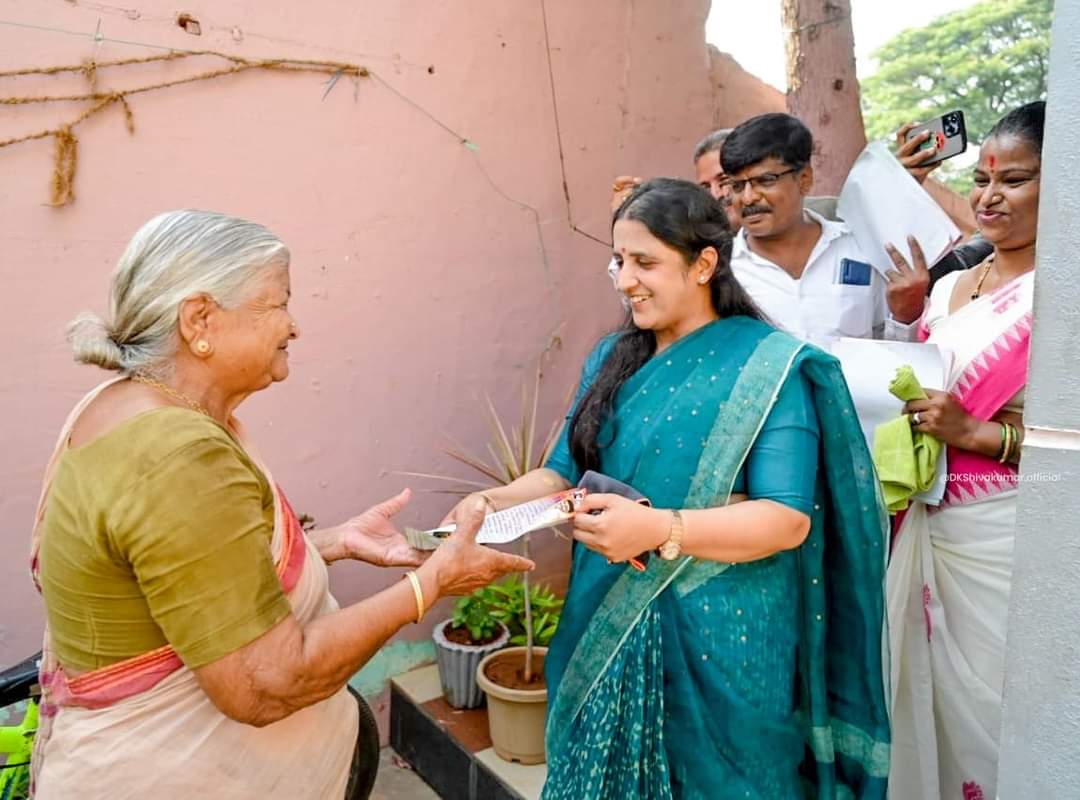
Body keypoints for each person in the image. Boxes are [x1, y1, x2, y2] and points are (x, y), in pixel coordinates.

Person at [29, 210, 532, 799]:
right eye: (279, 303)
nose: (293, 327)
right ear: (199, 319)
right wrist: (432, 584)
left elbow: (186, 576)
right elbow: (265, 684)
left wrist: (334, 542)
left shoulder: (125, 406)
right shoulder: (175, 456)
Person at [445, 179, 891, 798]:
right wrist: (492, 503)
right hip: (606, 616)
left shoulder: (770, 367)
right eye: (619, 261)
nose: (625, 279)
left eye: (645, 262)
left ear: (704, 264)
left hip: (725, 637)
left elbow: (787, 519)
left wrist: (661, 529)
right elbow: (561, 472)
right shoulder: (613, 356)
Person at [885, 101, 1044, 800]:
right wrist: (905, 319)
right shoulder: (949, 287)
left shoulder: (1060, 296)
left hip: (1013, 541)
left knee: (1016, 711)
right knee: (934, 712)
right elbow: (909, 393)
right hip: (929, 523)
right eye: (981, 179)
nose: (986, 197)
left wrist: (981, 436)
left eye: (1014, 181)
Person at [721, 112, 927, 344]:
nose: (748, 198)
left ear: (805, 179)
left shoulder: (861, 249)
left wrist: (906, 316)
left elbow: (894, 355)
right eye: (737, 186)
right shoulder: (722, 272)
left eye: (766, 180)